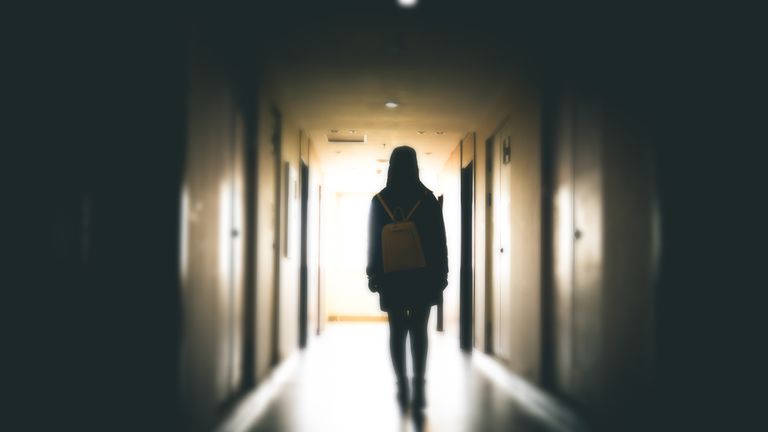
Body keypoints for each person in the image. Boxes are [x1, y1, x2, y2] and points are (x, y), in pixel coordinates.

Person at [366, 146, 448, 411]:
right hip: (423, 276)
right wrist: (442, 274)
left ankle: (402, 384)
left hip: (392, 276)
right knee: (419, 331)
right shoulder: (427, 199)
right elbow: (439, 240)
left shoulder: (379, 201)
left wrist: (372, 272)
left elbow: (373, 241)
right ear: (415, 166)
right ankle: (419, 385)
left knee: (397, 330)